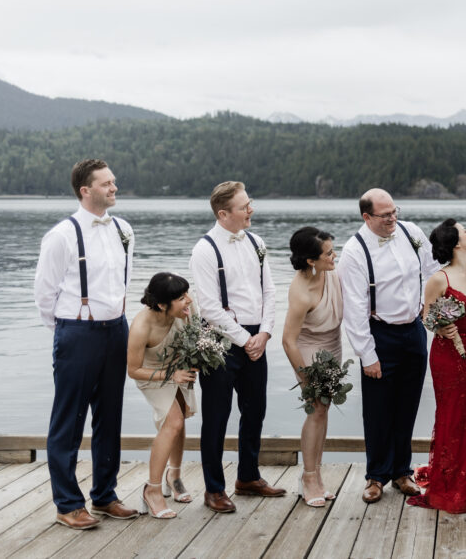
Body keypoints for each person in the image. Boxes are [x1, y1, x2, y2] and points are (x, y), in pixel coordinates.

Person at [34, 158, 138, 529]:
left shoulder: (124, 229)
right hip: (77, 333)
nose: (114, 188)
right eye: (106, 183)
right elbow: (44, 295)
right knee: (69, 420)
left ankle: (105, 496)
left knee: (110, 417)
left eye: (113, 181)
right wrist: (70, 331)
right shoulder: (61, 235)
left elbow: (122, 283)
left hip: (117, 330)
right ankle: (67, 504)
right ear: (86, 190)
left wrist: (114, 324)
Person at [337, 189, 440, 504]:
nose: (393, 218)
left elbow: (432, 271)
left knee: (407, 404)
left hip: (414, 331)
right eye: (385, 215)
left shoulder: (412, 232)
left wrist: (430, 310)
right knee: (378, 408)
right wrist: (368, 355)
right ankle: (375, 476)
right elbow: (354, 310)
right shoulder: (354, 252)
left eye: (394, 211)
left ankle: (401, 472)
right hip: (379, 334)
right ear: (367, 217)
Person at [189, 181, 283, 514]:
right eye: (245, 206)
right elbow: (210, 308)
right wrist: (245, 339)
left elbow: (270, 292)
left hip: (258, 337)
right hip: (221, 341)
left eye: (250, 203)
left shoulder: (257, 242)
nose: (251, 210)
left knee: (255, 409)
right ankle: (214, 488)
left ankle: (248, 476)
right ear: (223, 213)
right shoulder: (204, 250)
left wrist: (266, 333)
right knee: (216, 416)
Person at [407, 219, 466, 513]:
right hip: (449, 358)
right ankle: (452, 486)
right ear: (455, 243)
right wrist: (440, 328)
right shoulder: (439, 279)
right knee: (453, 416)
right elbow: (425, 317)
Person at [126, 272, 199, 520]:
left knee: (181, 419)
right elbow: (133, 370)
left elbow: (197, 338)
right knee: (173, 422)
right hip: (152, 375)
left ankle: (174, 477)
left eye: (187, 293)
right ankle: (152, 489)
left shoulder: (187, 310)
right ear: (161, 304)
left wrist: (196, 360)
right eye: (181, 297)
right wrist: (171, 376)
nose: (188, 300)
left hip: (180, 368)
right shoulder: (141, 326)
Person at [281, 227, 343, 507]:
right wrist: (305, 378)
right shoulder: (301, 293)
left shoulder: (330, 272)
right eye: (328, 253)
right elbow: (288, 340)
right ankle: (308, 477)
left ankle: (316, 473)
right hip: (307, 347)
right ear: (311, 261)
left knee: (324, 407)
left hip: (333, 343)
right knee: (315, 407)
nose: (334, 256)